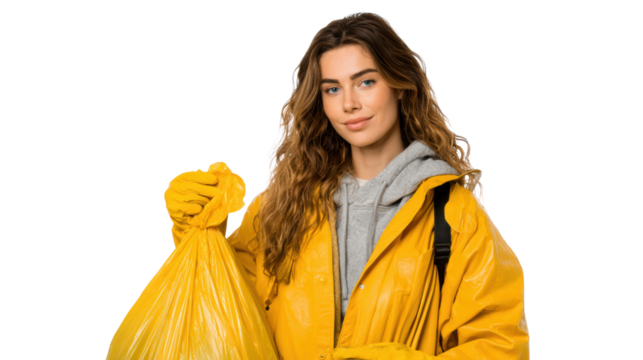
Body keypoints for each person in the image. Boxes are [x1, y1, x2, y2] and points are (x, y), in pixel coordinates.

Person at [165, 11, 529, 360]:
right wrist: (196, 228)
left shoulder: (454, 216)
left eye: (366, 81)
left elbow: (500, 347)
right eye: (333, 89)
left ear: (400, 85)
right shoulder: (278, 207)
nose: (350, 104)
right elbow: (223, 307)